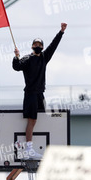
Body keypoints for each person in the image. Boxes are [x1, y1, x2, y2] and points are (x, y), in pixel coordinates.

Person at [13, 22, 67, 159]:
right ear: (32, 46)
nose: (37, 46)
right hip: (30, 93)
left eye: (39, 45)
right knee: (32, 120)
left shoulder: (44, 57)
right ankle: (28, 149)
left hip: (40, 94)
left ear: (42, 47)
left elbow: (53, 46)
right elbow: (17, 67)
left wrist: (61, 32)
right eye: (35, 45)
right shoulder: (27, 59)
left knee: (42, 117)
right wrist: (16, 56)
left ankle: (43, 146)